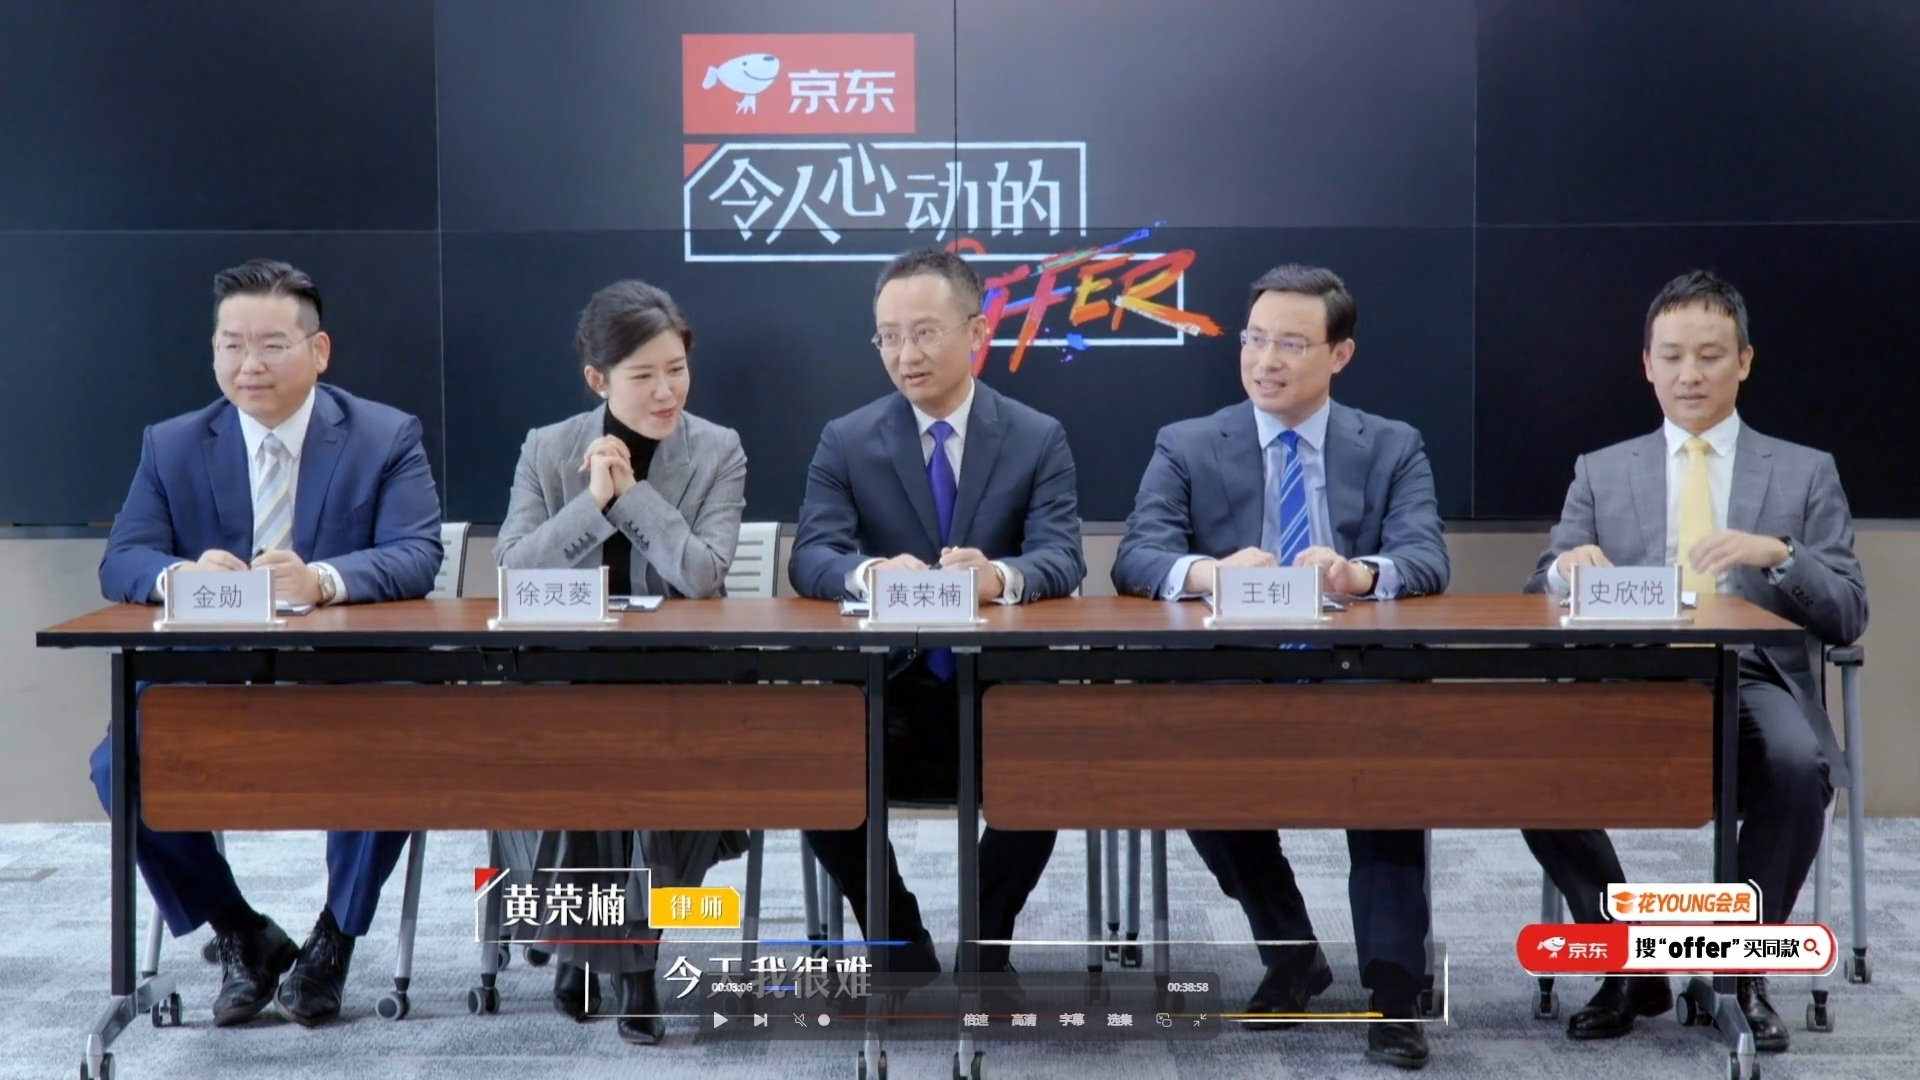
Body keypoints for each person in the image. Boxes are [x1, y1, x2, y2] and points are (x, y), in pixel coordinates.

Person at [1112, 263, 1448, 1070]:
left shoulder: (1391, 445)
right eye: (1254, 340)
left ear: (1340, 354)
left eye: (1291, 344)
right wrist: (1210, 572)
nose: (1266, 360)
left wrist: (1358, 574)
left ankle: (1394, 993)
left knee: (1387, 765)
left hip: (1353, 665)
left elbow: (1426, 557)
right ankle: (1292, 954)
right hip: (1237, 671)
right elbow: (1136, 556)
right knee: (1191, 756)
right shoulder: (1189, 444)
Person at [1521, 270, 1867, 1053]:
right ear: (1646, 363)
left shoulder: (1805, 470)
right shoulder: (1601, 469)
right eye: (1672, 356)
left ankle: (1735, 971)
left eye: (1710, 356)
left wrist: (1781, 555)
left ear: (1743, 361)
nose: (1690, 374)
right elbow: (1541, 586)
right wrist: (1566, 569)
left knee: (1800, 763)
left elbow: (1848, 610)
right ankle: (1629, 963)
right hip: (1634, 674)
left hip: (1754, 673)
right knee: (1529, 761)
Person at [93, 258, 443, 1026]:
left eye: (272, 345)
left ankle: (334, 939)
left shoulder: (385, 435)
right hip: (211, 678)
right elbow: (122, 560)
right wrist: (180, 575)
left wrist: (321, 579)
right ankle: (241, 931)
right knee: (118, 766)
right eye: (231, 345)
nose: (249, 364)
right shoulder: (173, 444)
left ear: (319, 351)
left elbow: (417, 553)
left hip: (348, 677)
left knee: (403, 736)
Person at [788, 247, 1086, 983]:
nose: (905, 354)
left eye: (924, 332)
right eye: (888, 336)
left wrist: (998, 578)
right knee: (815, 767)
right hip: (892, 688)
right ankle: (900, 942)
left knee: (1052, 763)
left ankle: (984, 944)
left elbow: (1062, 556)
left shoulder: (1037, 436)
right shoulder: (847, 439)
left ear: (976, 332)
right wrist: (868, 573)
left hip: (1000, 692)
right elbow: (813, 556)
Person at [492, 279, 750, 1045]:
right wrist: (591, 504)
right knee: (579, 750)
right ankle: (622, 963)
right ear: (598, 379)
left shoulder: (717, 449)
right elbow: (514, 571)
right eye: (644, 376)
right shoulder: (548, 447)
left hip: (678, 679)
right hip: (568, 676)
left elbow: (702, 574)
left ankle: (603, 956)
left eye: (677, 370)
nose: (666, 391)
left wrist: (630, 497)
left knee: (645, 760)